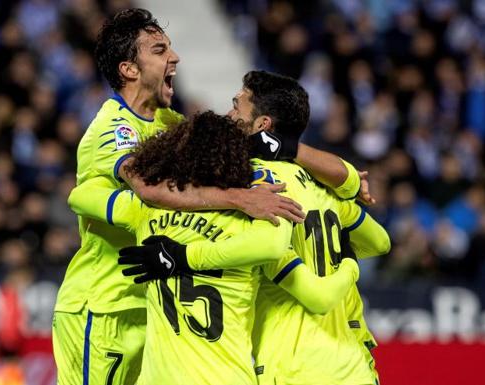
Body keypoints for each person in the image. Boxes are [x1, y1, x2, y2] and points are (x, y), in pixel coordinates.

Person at [52, 9, 306, 385]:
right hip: (103, 310)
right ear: (129, 69)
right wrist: (241, 198)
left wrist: (342, 173)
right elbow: (149, 189)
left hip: (153, 310)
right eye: (159, 50)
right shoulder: (112, 128)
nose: (175, 57)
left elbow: (246, 141)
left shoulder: (169, 124)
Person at [120, 71, 390, 385]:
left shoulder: (253, 192)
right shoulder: (324, 185)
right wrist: (347, 260)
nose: (229, 113)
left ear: (262, 125)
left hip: (288, 365)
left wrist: (183, 256)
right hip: (351, 363)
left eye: (237, 106)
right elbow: (380, 242)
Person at [68, 110, 362, 385]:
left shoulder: (144, 211)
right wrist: (349, 262)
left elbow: (80, 196)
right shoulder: (256, 223)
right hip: (228, 376)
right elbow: (317, 293)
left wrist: (148, 177)